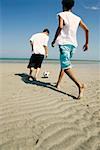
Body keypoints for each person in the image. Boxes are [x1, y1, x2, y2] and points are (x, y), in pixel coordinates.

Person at [51, 0, 89, 99]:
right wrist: (86, 43)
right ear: (72, 6)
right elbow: (87, 29)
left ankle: (80, 85)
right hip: (73, 45)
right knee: (65, 64)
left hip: (64, 43)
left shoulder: (61, 14)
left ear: (63, 5)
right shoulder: (77, 18)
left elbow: (60, 27)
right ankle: (58, 83)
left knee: (66, 66)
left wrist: (54, 40)